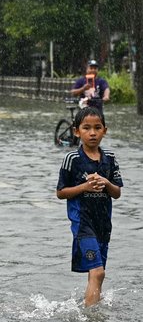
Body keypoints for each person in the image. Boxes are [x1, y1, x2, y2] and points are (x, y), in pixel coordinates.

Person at [56, 107, 122, 306]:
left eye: (97, 128)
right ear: (77, 131)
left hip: (103, 223)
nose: (92, 133)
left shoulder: (109, 158)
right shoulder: (72, 159)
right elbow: (60, 192)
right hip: (82, 224)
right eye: (86, 128)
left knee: (98, 273)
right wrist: (85, 186)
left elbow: (117, 192)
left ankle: (92, 311)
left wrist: (106, 183)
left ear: (105, 130)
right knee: (98, 272)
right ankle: (91, 321)